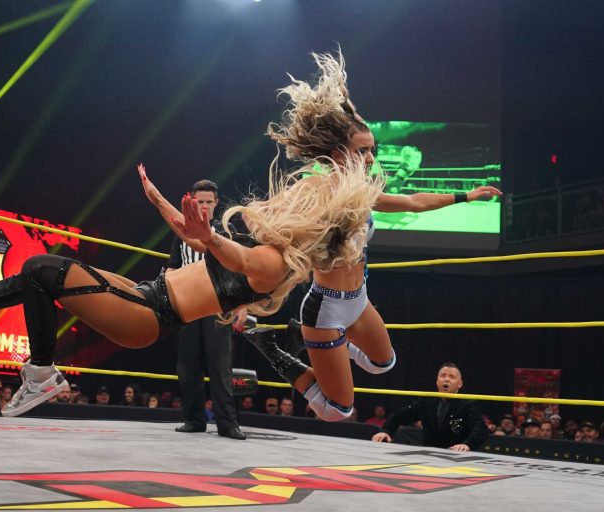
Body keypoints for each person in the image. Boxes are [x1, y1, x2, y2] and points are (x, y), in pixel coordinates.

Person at [0, 159, 379, 417]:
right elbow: (195, 237)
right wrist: (158, 200)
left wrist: (210, 236)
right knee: (40, 275)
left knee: (41, 268)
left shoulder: (272, 262)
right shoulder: (264, 247)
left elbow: (229, 256)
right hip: (146, 294)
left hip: (150, 315)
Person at [243, 49, 501, 423]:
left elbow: (413, 202)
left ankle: (302, 338)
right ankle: (273, 349)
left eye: (372, 150)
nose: (369, 158)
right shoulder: (316, 190)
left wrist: (466, 196)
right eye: (363, 151)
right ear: (338, 153)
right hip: (326, 307)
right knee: (337, 410)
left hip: (358, 298)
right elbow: (273, 224)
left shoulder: (361, 191)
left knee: (384, 363)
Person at [166, 179, 246, 440]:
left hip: (218, 307)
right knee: (188, 367)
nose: (203, 206)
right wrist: (170, 300)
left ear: (216, 203)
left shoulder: (226, 231)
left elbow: (241, 270)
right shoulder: (181, 232)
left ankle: (227, 424)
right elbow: (172, 268)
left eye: (208, 202)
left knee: (220, 366)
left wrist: (243, 307)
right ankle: (194, 420)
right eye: (199, 201)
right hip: (188, 306)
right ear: (192, 202)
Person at [371, 363, 488, 451]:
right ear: (437, 381)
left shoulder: (468, 404)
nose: (446, 379)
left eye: (452, 377)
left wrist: (467, 444)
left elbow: (480, 429)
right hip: (430, 456)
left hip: (457, 456)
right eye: (443, 376)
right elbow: (400, 415)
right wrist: (386, 431)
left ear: (460, 384)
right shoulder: (427, 401)